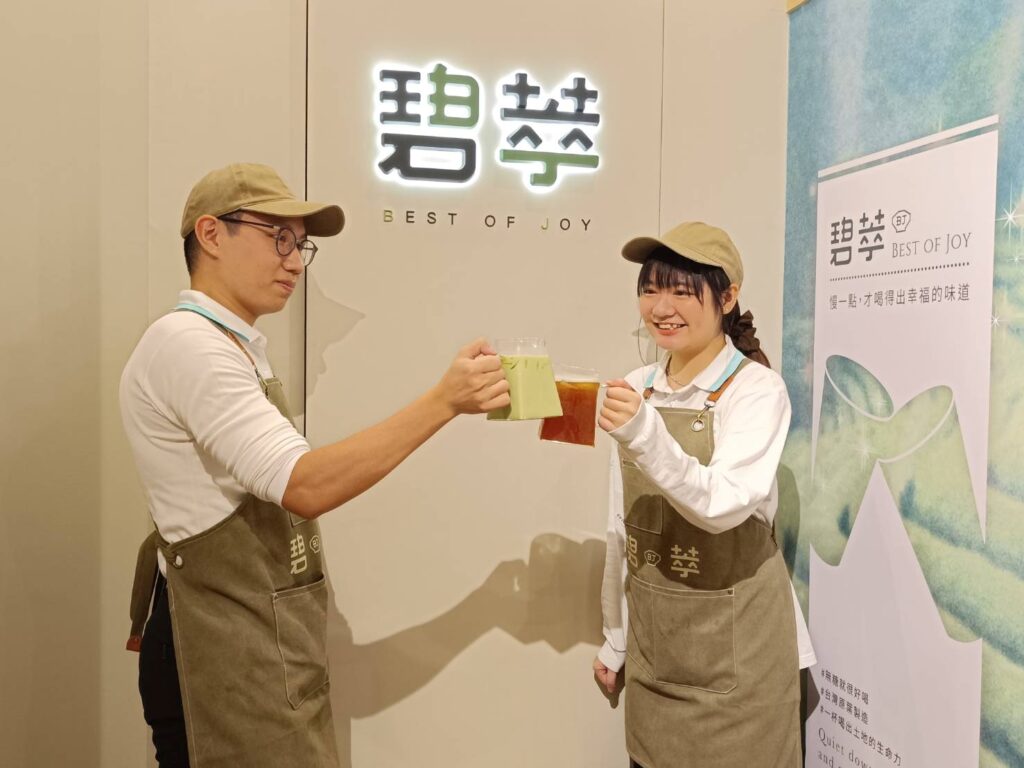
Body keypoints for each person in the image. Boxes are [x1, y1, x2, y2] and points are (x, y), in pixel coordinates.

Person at [120, 163, 510, 768]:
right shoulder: (190, 346)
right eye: (278, 237)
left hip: (256, 649)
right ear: (211, 234)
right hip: (219, 655)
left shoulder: (232, 346)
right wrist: (443, 402)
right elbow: (304, 485)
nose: (295, 262)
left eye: (300, 244)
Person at [591, 222, 816, 768]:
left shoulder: (757, 390)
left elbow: (723, 505)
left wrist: (645, 434)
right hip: (656, 655)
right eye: (650, 289)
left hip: (742, 662)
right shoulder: (637, 385)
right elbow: (623, 524)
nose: (661, 308)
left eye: (682, 291)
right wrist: (616, 638)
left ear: (728, 297)